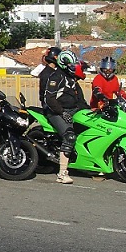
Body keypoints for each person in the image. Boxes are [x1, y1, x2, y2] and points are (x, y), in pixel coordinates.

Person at [43, 49, 88, 185]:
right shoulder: (56, 77)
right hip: (55, 112)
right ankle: (62, 174)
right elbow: (49, 99)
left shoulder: (71, 78)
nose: (73, 67)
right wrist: (62, 112)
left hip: (73, 111)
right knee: (69, 137)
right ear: (63, 64)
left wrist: (91, 112)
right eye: (71, 65)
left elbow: (80, 100)